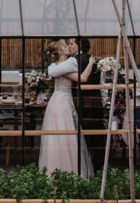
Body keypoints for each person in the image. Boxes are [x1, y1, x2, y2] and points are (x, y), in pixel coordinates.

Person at [39, 38, 96, 178]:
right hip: (61, 102)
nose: (68, 48)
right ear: (60, 51)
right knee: (63, 134)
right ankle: (66, 170)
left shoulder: (56, 66)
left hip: (60, 100)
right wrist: (90, 63)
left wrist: (53, 70)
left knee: (62, 135)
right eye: (65, 46)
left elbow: (53, 71)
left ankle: (60, 169)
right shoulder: (69, 63)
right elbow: (83, 78)